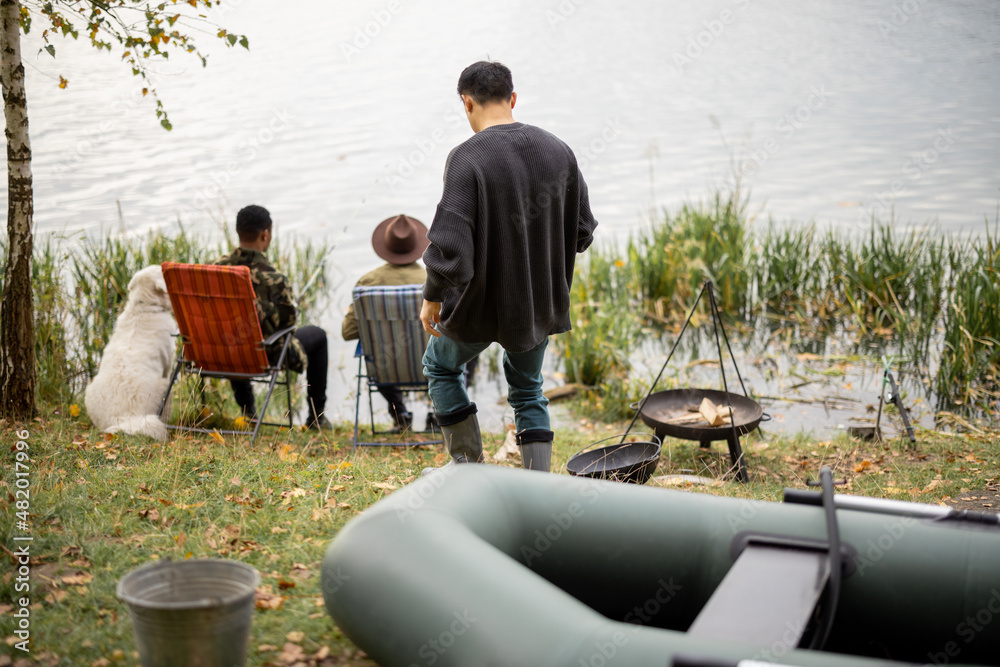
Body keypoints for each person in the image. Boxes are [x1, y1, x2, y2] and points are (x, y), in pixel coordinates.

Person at [420, 61, 598, 473]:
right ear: (512, 99)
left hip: (478, 305)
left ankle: (467, 470)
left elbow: (450, 246)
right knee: (528, 389)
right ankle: (537, 482)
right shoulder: (559, 150)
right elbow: (583, 231)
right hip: (536, 303)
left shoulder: (466, 158)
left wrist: (432, 296)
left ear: (467, 103)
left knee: (440, 365)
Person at [215, 204, 331, 430]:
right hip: (266, 354)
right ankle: (316, 418)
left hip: (223, 350)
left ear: (238, 231)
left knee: (236, 335)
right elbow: (288, 326)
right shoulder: (275, 278)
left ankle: (249, 411)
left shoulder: (216, 269)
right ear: (265, 234)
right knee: (318, 336)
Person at [342, 214, 430, 432]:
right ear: (417, 245)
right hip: (432, 368)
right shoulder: (434, 281)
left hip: (385, 370)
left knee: (377, 353)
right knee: (466, 352)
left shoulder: (367, 283)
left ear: (386, 246)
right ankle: (439, 415)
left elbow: (348, 332)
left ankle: (399, 413)